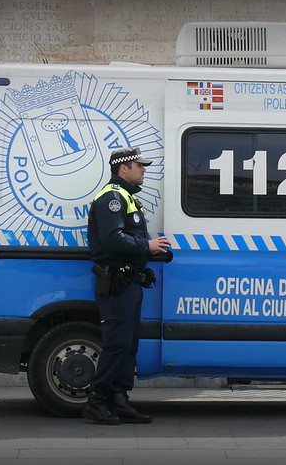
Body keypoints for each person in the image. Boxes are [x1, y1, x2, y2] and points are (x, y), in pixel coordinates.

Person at [84, 147, 170, 425]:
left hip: (129, 282)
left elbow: (125, 241)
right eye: (139, 165)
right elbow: (112, 240)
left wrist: (151, 252)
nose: (143, 169)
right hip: (117, 284)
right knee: (117, 344)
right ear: (124, 168)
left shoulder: (127, 197)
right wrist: (147, 245)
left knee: (128, 345)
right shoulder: (112, 198)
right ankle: (96, 402)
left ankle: (119, 400)